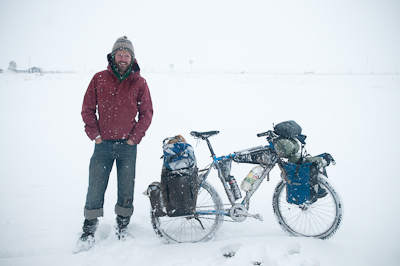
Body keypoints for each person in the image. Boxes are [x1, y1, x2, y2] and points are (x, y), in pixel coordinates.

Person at [79, 36, 153, 244]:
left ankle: (123, 225)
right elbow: (87, 109)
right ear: (113, 56)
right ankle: (89, 228)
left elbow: (146, 113)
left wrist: (134, 138)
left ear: (132, 58)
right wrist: (95, 135)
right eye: (119, 54)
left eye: (126, 55)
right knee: (95, 187)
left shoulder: (139, 82)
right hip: (103, 146)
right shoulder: (99, 78)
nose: (122, 58)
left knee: (126, 187)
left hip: (127, 146)